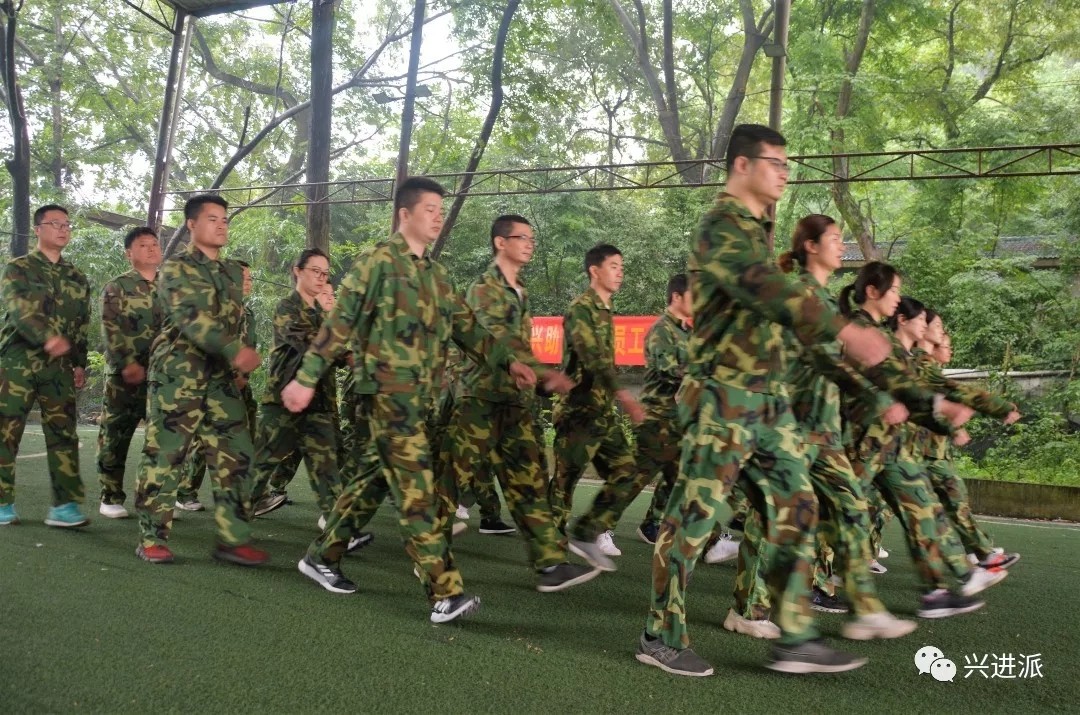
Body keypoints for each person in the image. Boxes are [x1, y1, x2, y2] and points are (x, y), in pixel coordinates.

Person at [636, 124, 897, 677]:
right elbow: (765, 289)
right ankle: (660, 635)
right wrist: (843, 329)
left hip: (766, 404)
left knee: (798, 507)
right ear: (742, 165)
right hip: (721, 397)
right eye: (775, 162)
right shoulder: (720, 226)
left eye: (785, 163)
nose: (784, 172)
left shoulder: (756, 232)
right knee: (693, 520)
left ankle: (795, 636)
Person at [282, 177, 554, 623]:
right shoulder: (377, 263)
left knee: (370, 480)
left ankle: (321, 556)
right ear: (404, 214)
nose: (437, 217)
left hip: (420, 400)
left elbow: (467, 328)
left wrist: (509, 362)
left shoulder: (436, 275)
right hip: (386, 394)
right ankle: (444, 592)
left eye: (440, 210)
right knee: (417, 491)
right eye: (429, 209)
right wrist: (306, 378)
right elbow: (340, 323)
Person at [442, 214, 598, 592]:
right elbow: (497, 343)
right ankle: (427, 553)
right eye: (521, 237)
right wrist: (543, 374)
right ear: (500, 242)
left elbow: (521, 349)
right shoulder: (484, 288)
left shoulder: (520, 291)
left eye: (532, 238)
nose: (530, 244)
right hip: (480, 398)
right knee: (451, 482)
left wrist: (541, 380)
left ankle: (550, 564)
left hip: (513, 401)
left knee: (529, 482)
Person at [841, 270, 1002, 618]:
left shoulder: (882, 335)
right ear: (873, 291)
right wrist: (938, 409)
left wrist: (941, 417)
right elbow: (877, 382)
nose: (898, 297)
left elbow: (907, 387)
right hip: (858, 443)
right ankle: (811, 583)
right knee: (837, 515)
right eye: (894, 290)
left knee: (924, 507)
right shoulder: (857, 329)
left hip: (890, 445)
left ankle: (938, 590)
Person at [133, 194, 267, 566]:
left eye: (224, 219)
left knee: (238, 452)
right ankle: (151, 537)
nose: (222, 224)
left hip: (220, 377)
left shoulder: (232, 272)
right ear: (191, 225)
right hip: (178, 372)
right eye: (212, 218)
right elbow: (191, 318)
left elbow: (234, 322)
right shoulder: (176, 268)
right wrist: (235, 350)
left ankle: (233, 539)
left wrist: (237, 364)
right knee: (166, 454)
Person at [548, 243, 645, 566]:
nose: (620, 272)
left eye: (622, 267)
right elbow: (592, 358)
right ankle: (550, 556)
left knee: (626, 470)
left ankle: (586, 531)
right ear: (595, 270)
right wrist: (625, 396)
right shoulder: (581, 308)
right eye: (614, 266)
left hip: (601, 412)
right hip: (579, 411)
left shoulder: (606, 310)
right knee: (564, 484)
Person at [0, 204, 92, 527]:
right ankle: (2, 502)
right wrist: (46, 337)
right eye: (56, 224)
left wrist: (79, 362)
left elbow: (81, 323)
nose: (63, 229)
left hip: (59, 366)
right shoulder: (18, 268)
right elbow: (18, 311)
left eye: (67, 225)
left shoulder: (77, 277)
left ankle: (64, 507)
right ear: (38, 229)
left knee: (64, 432)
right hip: (17, 361)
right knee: (6, 430)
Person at [249, 249, 343, 526]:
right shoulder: (287, 307)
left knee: (326, 466)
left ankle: (337, 530)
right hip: (284, 402)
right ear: (297, 271)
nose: (321, 277)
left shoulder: (322, 314)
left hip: (317, 404)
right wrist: (347, 352)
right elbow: (310, 342)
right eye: (315, 271)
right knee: (263, 462)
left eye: (325, 273)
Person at [176, 261, 258, 511]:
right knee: (205, 440)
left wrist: (244, 375)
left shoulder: (248, 313)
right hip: (214, 384)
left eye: (250, 278)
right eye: (243, 277)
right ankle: (185, 491)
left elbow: (250, 347)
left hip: (240, 385)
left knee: (246, 438)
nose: (248, 282)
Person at [96, 227, 162, 519]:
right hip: (125, 377)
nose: (151, 248)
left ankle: (152, 497)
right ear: (129, 253)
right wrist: (127, 364)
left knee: (161, 439)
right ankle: (110, 496)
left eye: (154, 244)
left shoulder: (171, 288)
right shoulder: (117, 287)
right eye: (143, 245)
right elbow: (110, 329)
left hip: (162, 377)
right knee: (115, 435)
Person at [635, 274, 691, 546]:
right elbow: (668, 370)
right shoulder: (661, 330)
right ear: (677, 297)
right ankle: (599, 527)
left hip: (676, 416)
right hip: (656, 415)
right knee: (636, 475)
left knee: (678, 475)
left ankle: (652, 523)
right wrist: (699, 374)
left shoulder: (686, 332)